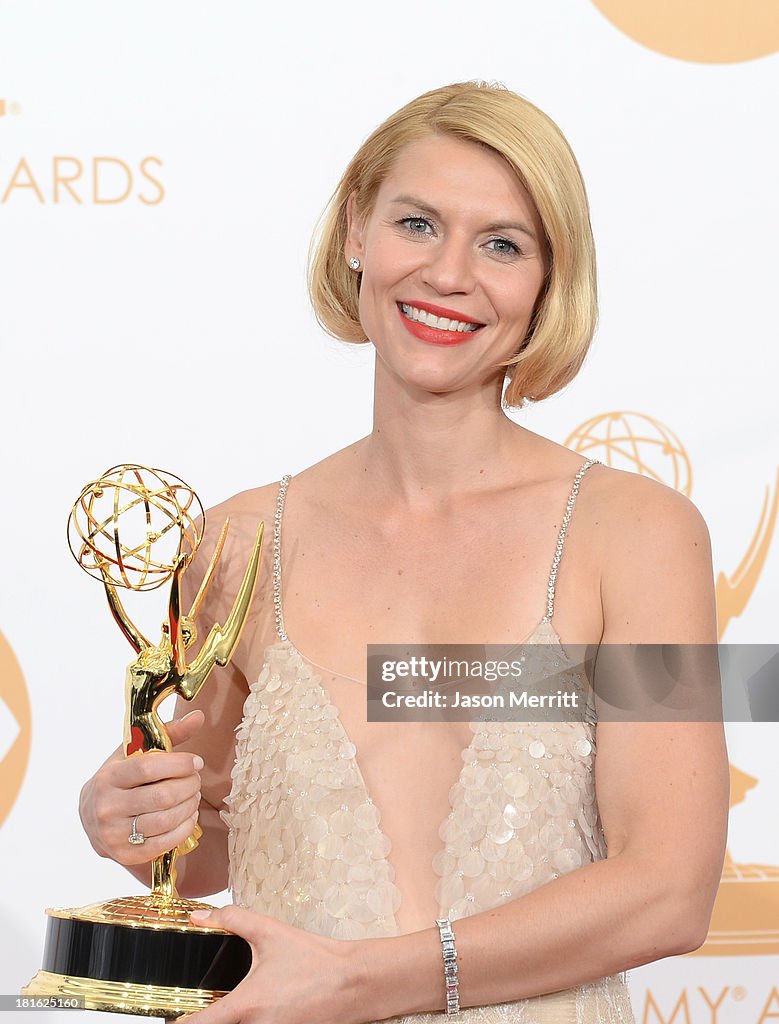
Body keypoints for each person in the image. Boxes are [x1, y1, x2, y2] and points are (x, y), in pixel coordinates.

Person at [78, 81, 730, 1024]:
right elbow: (204, 850)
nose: (447, 274)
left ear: (550, 281)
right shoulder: (234, 541)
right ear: (355, 232)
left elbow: (670, 891)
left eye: (501, 244)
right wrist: (132, 819)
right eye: (416, 223)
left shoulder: (639, 536)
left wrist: (356, 983)